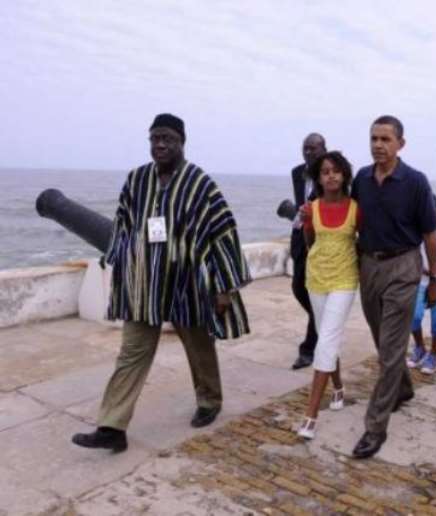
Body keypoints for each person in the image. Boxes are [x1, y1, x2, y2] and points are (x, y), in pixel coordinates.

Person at [72, 114, 251, 452]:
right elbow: (123, 224)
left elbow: (224, 230)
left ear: (182, 141)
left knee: (199, 348)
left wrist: (224, 287)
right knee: (131, 353)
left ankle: (210, 401)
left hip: (189, 284)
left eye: (167, 138)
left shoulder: (200, 183)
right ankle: (112, 426)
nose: (160, 145)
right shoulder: (137, 180)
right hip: (145, 287)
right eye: (154, 138)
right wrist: (119, 261)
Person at [350, 115, 436, 459]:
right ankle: (402, 388)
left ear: (401, 144)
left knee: (389, 349)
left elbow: (430, 234)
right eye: (374, 138)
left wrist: (433, 278)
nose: (378, 145)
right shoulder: (361, 178)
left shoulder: (415, 181)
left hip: (404, 266)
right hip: (369, 265)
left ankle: (375, 427)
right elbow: (352, 218)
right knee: (381, 340)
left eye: (386, 139)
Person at [296, 151, 361, 439]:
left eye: (336, 170)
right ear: (318, 178)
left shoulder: (356, 208)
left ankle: (310, 415)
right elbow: (310, 241)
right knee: (326, 338)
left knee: (328, 338)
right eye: (325, 172)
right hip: (316, 279)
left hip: (345, 281)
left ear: (345, 175)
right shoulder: (311, 208)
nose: (331, 175)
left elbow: (365, 241)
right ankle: (338, 387)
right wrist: (306, 220)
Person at [290, 133, 327, 370]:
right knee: (298, 287)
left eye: (313, 148)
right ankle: (324, 323)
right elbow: (301, 203)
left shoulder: (330, 172)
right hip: (299, 235)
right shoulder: (297, 173)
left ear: (323, 148)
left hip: (323, 238)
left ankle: (309, 349)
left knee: (314, 290)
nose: (309, 152)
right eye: (305, 148)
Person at [407, 197, 436, 375]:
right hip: (421, 281)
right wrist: (423, 270)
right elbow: (413, 256)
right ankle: (420, 347)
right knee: (414, 316)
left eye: (435, 215)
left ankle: (433, 355)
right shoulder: (419, 234)